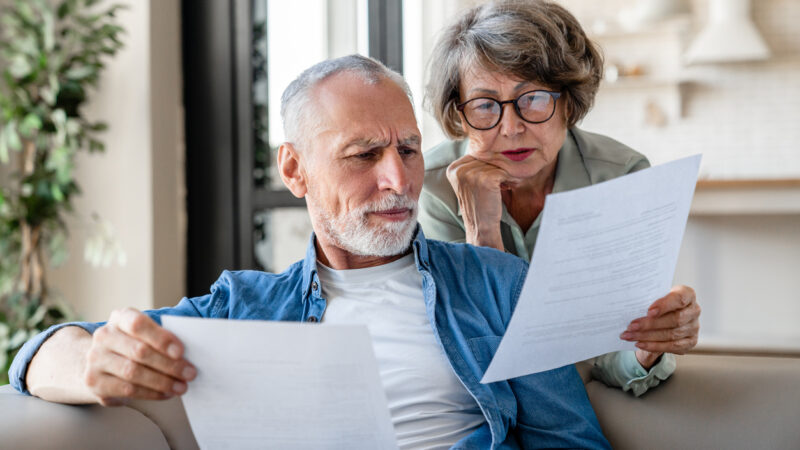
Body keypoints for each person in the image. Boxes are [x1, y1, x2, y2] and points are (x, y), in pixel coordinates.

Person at [10, 55, 610, 449]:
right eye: (363, 155)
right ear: (295, 170)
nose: (399, 181)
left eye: (407, 149)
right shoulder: (245, 307)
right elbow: (37, 355)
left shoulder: (496, 284)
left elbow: (571, 440)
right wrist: (93, 362)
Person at [419, 0, 701, 396]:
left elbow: (609, 353)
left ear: (567, 102)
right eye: (484, 106)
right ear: (460, 115)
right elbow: (473, 353)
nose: (511, 128)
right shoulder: (431, 188)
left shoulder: (619, 177)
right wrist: (482, 231)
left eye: (532, 98)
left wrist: (647, 347)